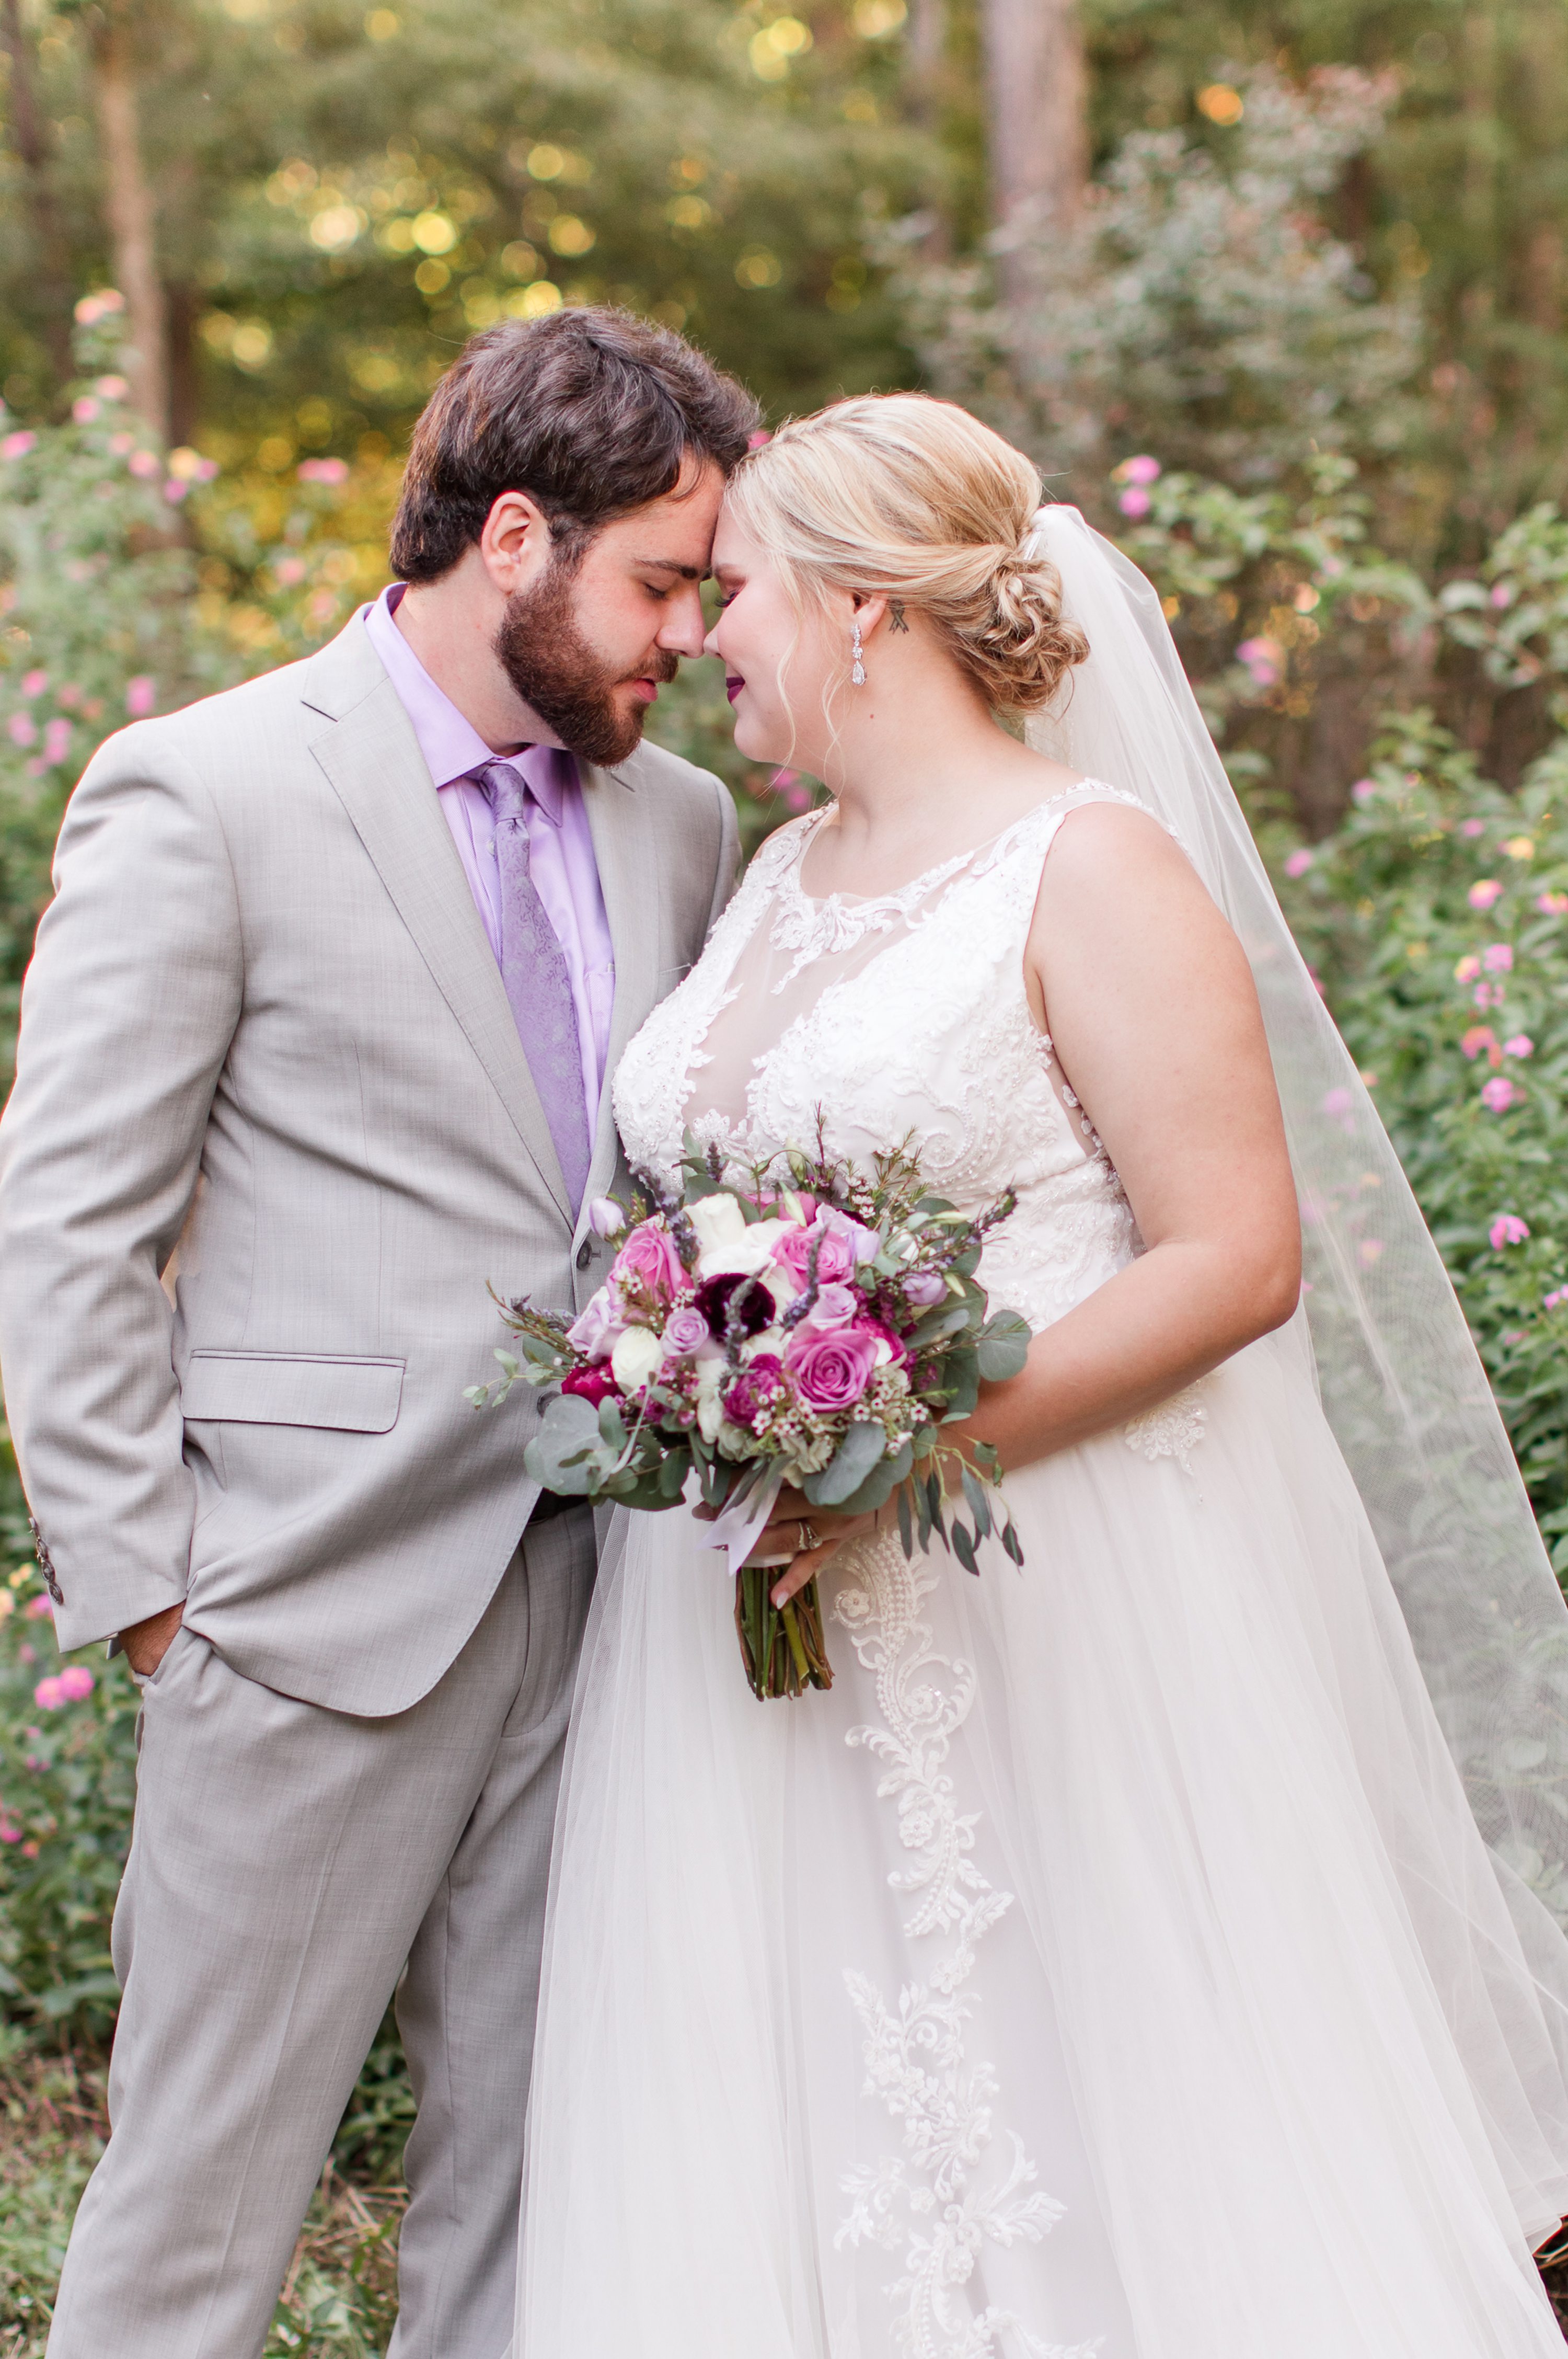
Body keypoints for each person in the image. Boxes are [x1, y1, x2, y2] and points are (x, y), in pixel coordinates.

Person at [514, 393, 1568, 2355]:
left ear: (859, 607)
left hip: (1040, 1597)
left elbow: (1236, 1254)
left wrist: (899, 1461)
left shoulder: (1091, 865)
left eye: (738, 588)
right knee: (792, 2101)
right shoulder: (774, 872)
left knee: (1104, 2104)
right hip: (742, 1630)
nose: (706, 632)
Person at [0, 306, 756, 2358]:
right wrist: (157, 1606)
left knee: (530, 2210)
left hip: (605, 1619)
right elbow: (70, 1223)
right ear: (515, 537)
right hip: (298, 1618)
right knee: (194, 2231)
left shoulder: (681, 823)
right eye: (659, 582)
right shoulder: (206, 788)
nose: (690, 634)